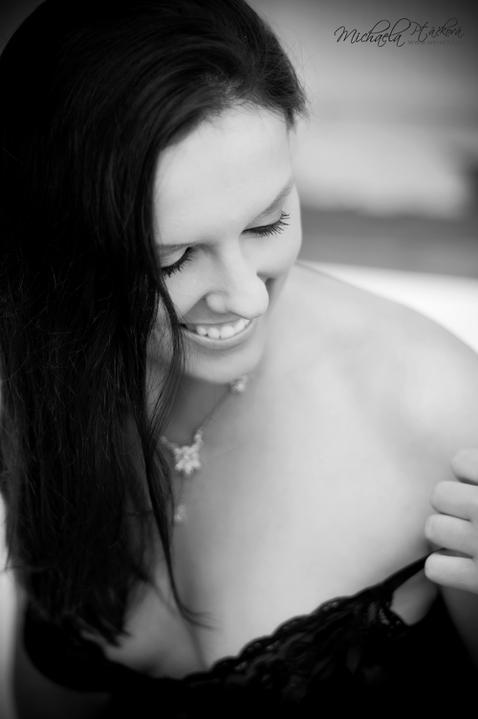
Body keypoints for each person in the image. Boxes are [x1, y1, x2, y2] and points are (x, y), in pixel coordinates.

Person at [1, 0, 478, 717]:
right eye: (172, 259)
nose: (247, 296)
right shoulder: (29, 366)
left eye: (268, 222)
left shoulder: (443, 417)